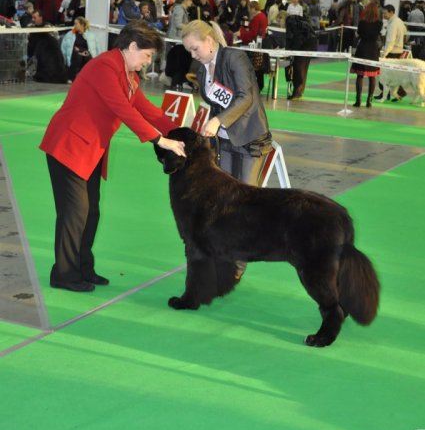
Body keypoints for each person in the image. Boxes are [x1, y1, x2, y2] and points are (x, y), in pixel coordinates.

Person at [39, 21, 186, 293]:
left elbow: (147, 110)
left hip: (90, 150)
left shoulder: (130, 76)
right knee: (75, 213)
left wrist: (183, 134)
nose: (148, 62)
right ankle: (64, 273)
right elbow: (122, 109)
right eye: (147, 55)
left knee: (90, 212)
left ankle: (83, 268)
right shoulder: (104, 66)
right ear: (132, 47)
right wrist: (159, 139)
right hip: (68, 146)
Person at [181, 19, 272, 282]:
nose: (193, 55)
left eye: (195, 48)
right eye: (189, 50)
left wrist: (219, 121)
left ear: (209, 41)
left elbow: (246, 97)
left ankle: (238, 266)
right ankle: (224, 258)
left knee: (243, 204)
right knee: (223, 203)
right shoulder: (201, 71)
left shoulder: (235, 58)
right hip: (224, 141)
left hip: (249, 139)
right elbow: (213, 104)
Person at [351, 2, 383, 108]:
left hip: (362, 49)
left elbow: (359, 34)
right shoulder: (379, 23)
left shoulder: (362, 23)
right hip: (373, 51)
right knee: (372, 77)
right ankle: (369, 101)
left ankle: (358, 100)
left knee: (360, 76)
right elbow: (377, 35)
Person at [376, 3, 408, 101]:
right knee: (393, 76)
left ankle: (395, 93)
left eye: (385, 13)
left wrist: (384, 54)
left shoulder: (393, 24)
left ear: (391, 12)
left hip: (392, 52)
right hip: (398, 51)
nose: (383, 15)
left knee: (384, 75)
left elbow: (390, 41)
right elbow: (405, 35)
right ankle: (392, 94)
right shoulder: (399, 21)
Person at [285, 15, 318, 100]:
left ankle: (296, 93)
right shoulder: (299, 20)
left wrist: (288, 50)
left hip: (303, 44)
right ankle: (300, 91)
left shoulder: (289, 22)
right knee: (304, 68)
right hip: (311, 42)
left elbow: (291, 37)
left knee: (298, 68)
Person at [61, 17, 101, 81]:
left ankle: (88, 78)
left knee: (88, 57)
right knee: (77, 57)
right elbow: (64, 48)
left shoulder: (91, 36)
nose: (74, 26)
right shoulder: (69, 35)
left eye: (76, 24)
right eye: (74, 24)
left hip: (86, 54)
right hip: (75, 55)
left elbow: (97, 49)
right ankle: (73, 77)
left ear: (82, 25)